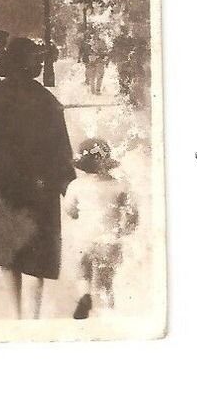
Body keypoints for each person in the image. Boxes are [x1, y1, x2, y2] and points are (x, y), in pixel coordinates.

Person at [0, 36, 77, 319]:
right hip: (38, 189)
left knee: (9, 256)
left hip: (2, 187)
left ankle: (17, 315)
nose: (40, 64)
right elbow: (60, 147)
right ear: (21, 62)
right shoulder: (45, 100)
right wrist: (65, 183)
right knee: (37, 256)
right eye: (35, 59)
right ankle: (33, 317)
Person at [64, 137, 139, 319]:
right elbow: (132, 215)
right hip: (109, 240)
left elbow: (70, 210)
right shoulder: (120, 185)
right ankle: (109, 316)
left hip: (84, 241)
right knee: (107, 282)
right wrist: (124, 230)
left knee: (83, 274)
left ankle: (85, 296)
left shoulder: (76, 186)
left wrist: (77, 214)